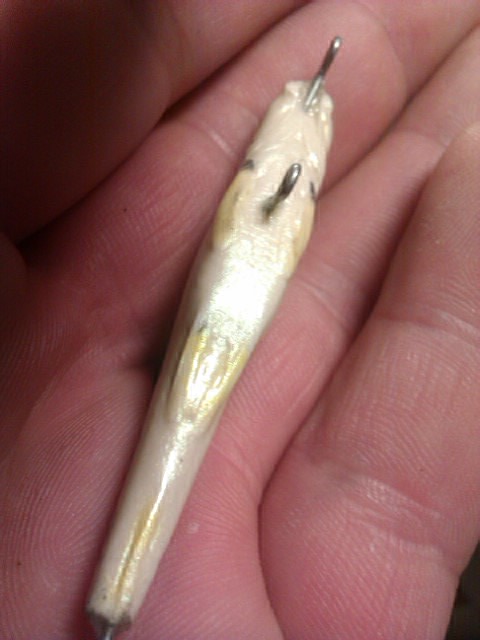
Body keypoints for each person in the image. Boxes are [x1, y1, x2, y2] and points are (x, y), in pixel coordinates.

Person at [1, 2, 479, 638]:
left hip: (258, 265)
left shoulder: (302, 149)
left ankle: (118, 598)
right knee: (182, 413)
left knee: (190, 408)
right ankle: (115, 596)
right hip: (242, 258)